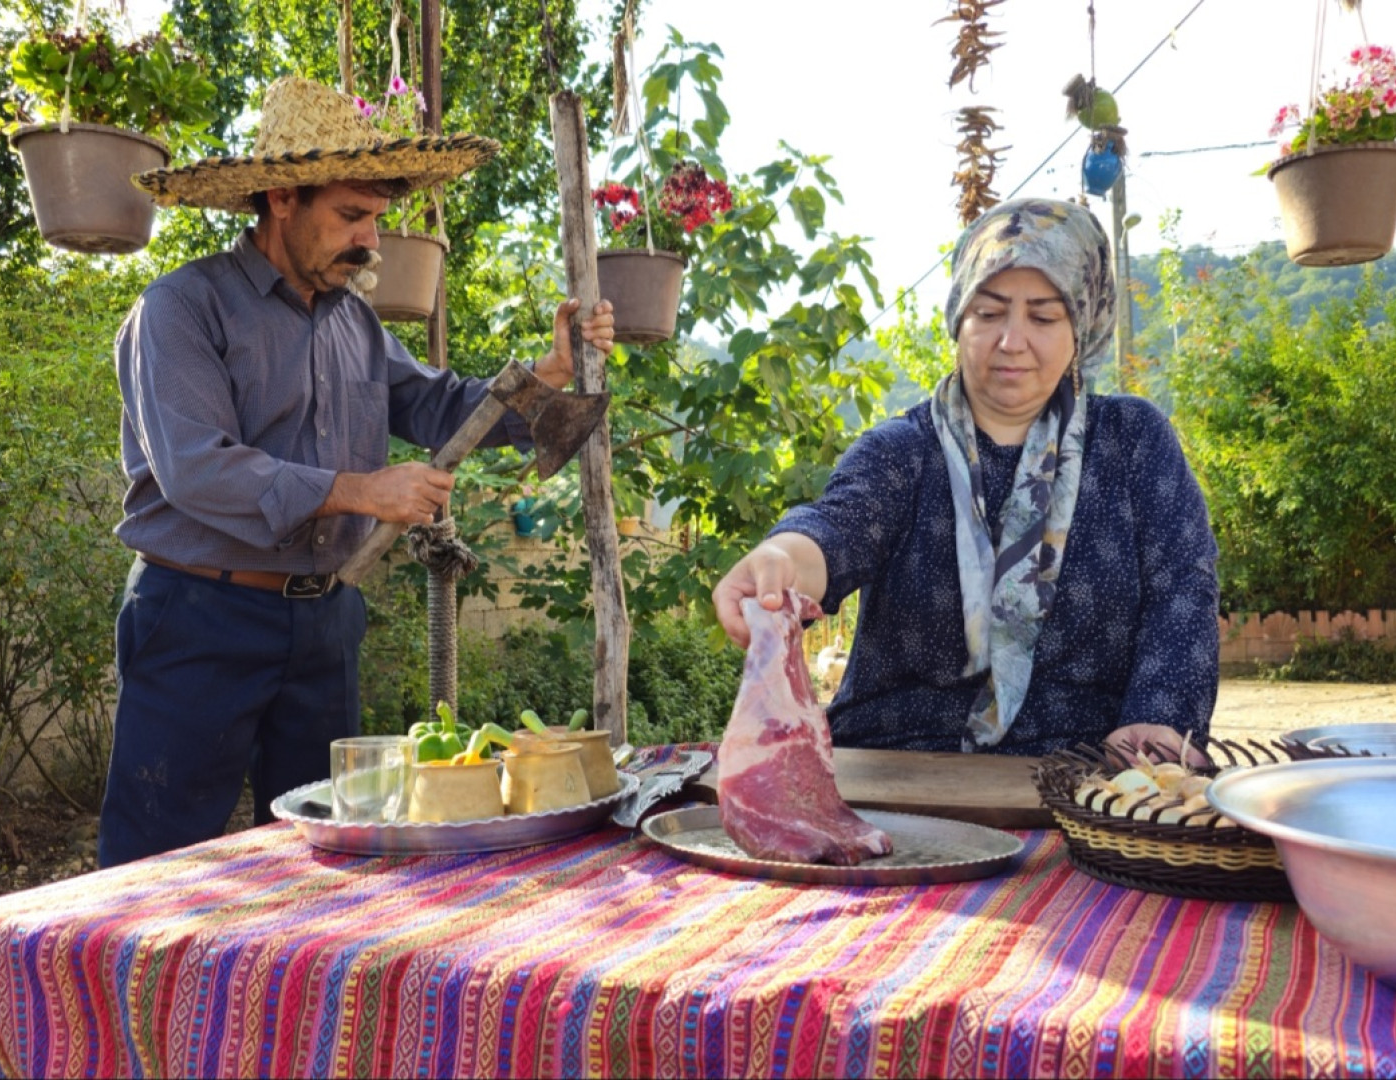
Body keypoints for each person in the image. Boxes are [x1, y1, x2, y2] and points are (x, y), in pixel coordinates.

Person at [100, 76, 615, 867]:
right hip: (200, 611)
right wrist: (360, 492)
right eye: (350, 216)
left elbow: (449, 411)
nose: (371, 241)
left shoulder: (356, 325)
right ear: (280, 198)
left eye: (376, 218)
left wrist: (547, 372)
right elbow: (197, 470)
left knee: (330, 855)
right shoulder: (181, 308)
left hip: (325, 620)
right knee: (159, 864)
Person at [712, 197, 1217, 758]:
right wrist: (781, 561)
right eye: (989, 312)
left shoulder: (1131, 443)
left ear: (1085, 326)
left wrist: (1159, 723)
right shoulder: (904, 452)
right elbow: (836, 528)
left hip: (1088, 783)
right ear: (959, 317)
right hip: (901, 775)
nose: (1011, 341)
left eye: (1044, 317)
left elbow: (1183, 589)